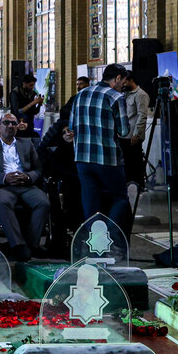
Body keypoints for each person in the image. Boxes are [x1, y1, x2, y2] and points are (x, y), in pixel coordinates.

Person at [0, 112, 49, 261]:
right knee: (2, 202)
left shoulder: (27, 143)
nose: (10, 126)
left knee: (43, 202)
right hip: (2, 186)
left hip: (26, 185)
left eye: (13, 123)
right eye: (6, 123)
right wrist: (3, 178)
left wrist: (28, 176)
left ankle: (31, 245)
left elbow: (38, 168)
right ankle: (18, 245)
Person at [68, 64, 131, 233]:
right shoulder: (116, 97)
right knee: (120, 197)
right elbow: (124, 131)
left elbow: (71, 126)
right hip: (107, 158)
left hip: (82, 158)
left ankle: (95, 242)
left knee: (90, 203)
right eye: (123, 82)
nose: (123, 85)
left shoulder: (80, 94)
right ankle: (110, 236)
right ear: (117, 78)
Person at [119, 71, 150, 187]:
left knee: (135, 167)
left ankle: (138, 188)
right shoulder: (125, 94)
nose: (123, 84)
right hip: (123, 136)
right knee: (125, 167)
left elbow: (142, 116)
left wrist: (136, 135)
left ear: (131, 80)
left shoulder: (141, 95)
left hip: (133, 137)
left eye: (124, 82)